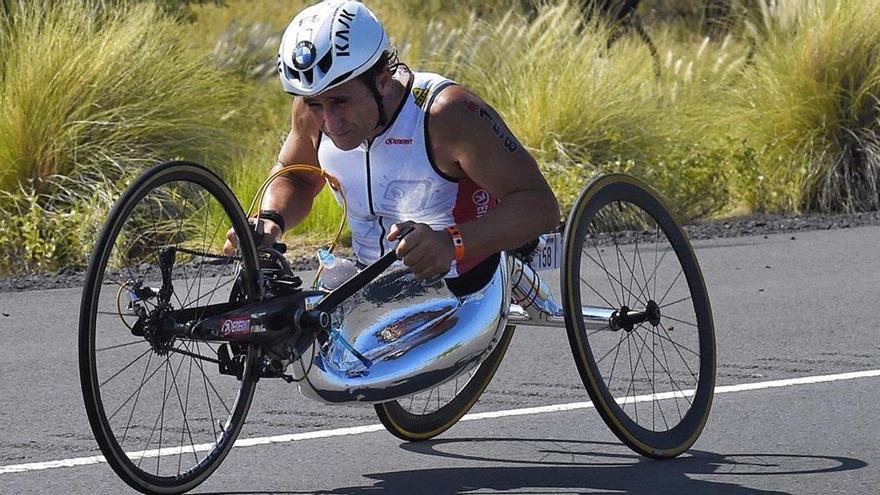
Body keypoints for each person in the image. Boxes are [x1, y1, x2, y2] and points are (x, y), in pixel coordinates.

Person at [224, 0, 559, 293]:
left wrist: (452, 242)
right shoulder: (313, 113)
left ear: (383, 79)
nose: (330, 122)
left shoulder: (447, 114)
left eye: (340, 102)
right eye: (314, 104)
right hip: (373, 285)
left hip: (461, 280)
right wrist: (271, 219)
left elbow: (541, 206)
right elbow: (296, 177)